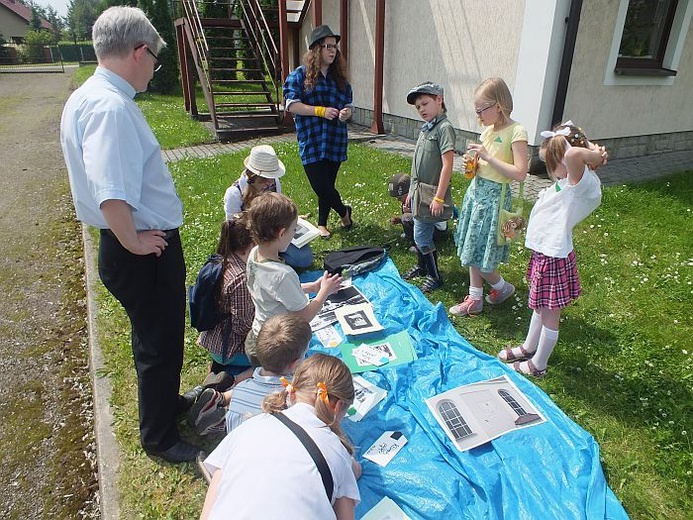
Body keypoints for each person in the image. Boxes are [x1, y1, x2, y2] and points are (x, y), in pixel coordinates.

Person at [60, 6, 201, 463]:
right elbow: (111, 193)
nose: (154, 70)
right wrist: (135, 241)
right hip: (141, 247)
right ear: (139, 52)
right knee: (158, 341)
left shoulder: (92, 97)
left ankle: (165, 403)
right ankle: (158, 436)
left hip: (134, 244)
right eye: (156, 60)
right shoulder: (110, 106)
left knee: (157, 334)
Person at [498, 122, 607, 377]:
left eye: (554, 161)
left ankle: (539, 365)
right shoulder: (566, 181)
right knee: (539, 306)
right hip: (545, 253)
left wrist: (595, 155)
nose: (552, 169)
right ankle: (529, 347)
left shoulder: (581, 184)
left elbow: (573, 154)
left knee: (550, 314)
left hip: (554, 258)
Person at [200, 353, 361, 520]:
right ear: (339, 405)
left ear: (291, 393)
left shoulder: (248, 427)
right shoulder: (338, 452)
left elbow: (216, 488)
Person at [450, 77, 528, 316]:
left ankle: (502, 287)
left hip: (494, 200)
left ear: (499, 106)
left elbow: (521, 173)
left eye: (481, 110)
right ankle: (476, 298)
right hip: (477, 195)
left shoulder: (516, 131)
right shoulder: (487, 131)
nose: (479, 116)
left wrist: (489, 157)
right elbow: (480, 168)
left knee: (482, 251)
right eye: (476, 111)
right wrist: (471, 164)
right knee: (472, 245)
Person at [244, 192, 343, 365]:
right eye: (294, 229)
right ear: (282, 233)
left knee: (261, 376)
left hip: (257, 336)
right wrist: (323, 293)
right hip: (277, 348)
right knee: (283, 386)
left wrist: (311, 287)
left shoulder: (254, 254)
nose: (294, 233)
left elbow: (272, 291)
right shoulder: (282, 274)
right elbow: (304, 316)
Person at [283, 24, 354, 239]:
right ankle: (344, 212)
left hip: (334, 139)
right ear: (316, 48)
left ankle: (322, 223)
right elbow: (291, 106)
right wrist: (320, 111)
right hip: (312, 139)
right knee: (320, 185)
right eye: (328, 46)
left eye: (334, 47)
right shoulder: (299, 76)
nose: (333, 50)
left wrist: (345, 114)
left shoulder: (339, 79)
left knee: (328, 185)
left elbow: (349, 106)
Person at [190, 313, 310, 436]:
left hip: (237, 438)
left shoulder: (241, 388)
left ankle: (221, 407)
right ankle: (219, 421)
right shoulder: (294, 398)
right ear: (294, 364)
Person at [401, 82, 456, 292]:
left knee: (421, 236)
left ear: (439, 100)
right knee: (418, 228)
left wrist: (439, 197)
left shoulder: (444, 128)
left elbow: (448, 165)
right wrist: (411, 193)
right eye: (418, 107)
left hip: (431, 195)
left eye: (425, 103)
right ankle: (422, 266)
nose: (421, 109)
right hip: (419, 193)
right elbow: (418, 163)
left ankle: (435, 276)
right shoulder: (427, 128)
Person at [223, 144, 313, 269]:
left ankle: (272, 256)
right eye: (266, 179)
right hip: (249, 239)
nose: (271, 182)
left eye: (272, 177)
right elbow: (232, 228)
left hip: (273, 234)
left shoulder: (274, 182)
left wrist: (290, 219)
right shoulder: (234, 193)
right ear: (254, 177)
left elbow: (279, 209)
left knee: (305, 257)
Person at [197, 214, 255, 392]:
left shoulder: (220, 260)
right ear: (251, 245)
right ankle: (232, 381)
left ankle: (216, 371)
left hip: (213, 339)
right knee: (275, 360)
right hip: (229, 348)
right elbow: (242, 326)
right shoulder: (240, 278)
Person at [388, 172, 447, 252]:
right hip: (428, 224)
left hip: (436, 229)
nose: (398, 200)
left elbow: (427, 217)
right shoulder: (414, 195)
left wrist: (411, 213)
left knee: (406, 218)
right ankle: (410, 233)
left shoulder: (421, 198)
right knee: (405, 212)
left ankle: (418, 244)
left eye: (400, 197)